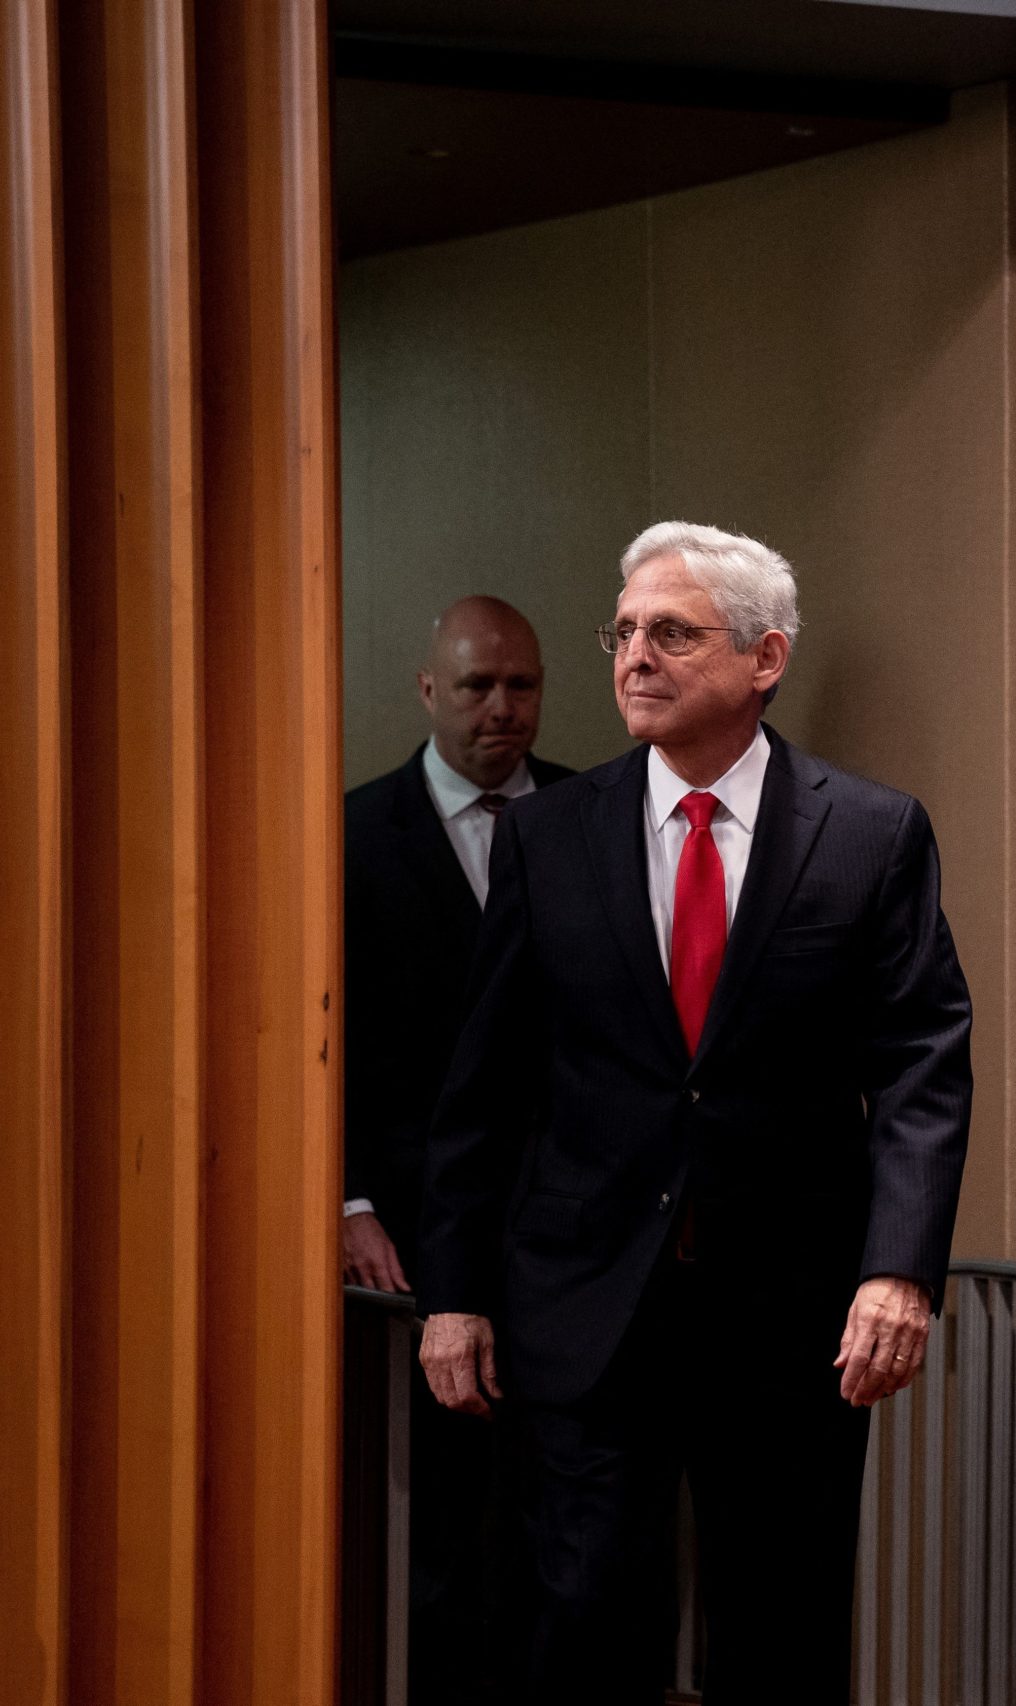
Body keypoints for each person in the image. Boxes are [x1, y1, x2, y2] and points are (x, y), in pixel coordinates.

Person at [414, 521, 971, 1703]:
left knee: (778, 1624)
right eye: (622, 632)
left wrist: (899, 1270)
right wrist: (452, 1290)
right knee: (581, 1620)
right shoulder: (550, 834)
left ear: (763, 659)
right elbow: (488, 1083)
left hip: (790, 1310)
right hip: (582, 1303)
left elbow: (923, 1060)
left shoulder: (870, 833)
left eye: (670, 632)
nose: (633, 657)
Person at [342, 594, 572, 1704]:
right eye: (477, 685)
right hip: (410, 1228)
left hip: (573, 1228)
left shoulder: (594, 812)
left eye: (521, 685)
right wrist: (345, 1203)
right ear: (429, 689)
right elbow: (314, 1039)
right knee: (434, 1524)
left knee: (570, 1521)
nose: (501, 707)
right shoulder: (349, 831)